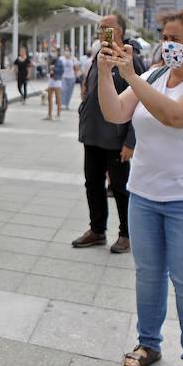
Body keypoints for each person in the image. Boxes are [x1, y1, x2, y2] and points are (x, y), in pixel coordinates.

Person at [98, 8, 183, 366]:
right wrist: (106, 73)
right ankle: (148, 343)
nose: (168, 45)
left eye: (176, 39)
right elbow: (114, 112)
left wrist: (131, 76)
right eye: (164, 37)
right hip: (144, 194)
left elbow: (174, 115)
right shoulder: (153, 76)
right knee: (148, 274)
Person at [72, 14, 144, 255]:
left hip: (116, 139)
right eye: (100, 28)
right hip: (92, 134)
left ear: (120, 31)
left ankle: (126, 234)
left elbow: (141, 101)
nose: (102, 31)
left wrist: (131, 141)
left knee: (121, 188)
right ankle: (97, 230)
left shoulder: (130, 59)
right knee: (92, 184)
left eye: (107, 28)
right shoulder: (99, 55)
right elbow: (90, 86)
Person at [45, 48, 66, 120]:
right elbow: (48, 69)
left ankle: (58, 114)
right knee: (49, 97)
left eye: (54, 51)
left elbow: (62, 71)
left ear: (57, 53)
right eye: (52, 51)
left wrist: (54, 68)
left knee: (58, 97)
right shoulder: (50, 60)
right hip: (51, 79)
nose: (53, 53)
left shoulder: (59, 61)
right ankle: (49, 114)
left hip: (57, 80)